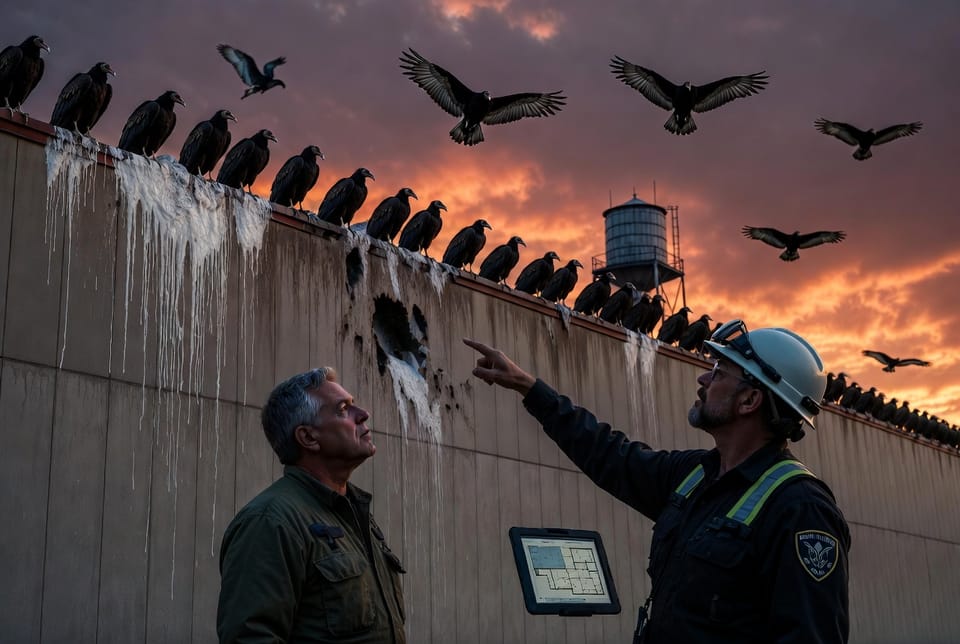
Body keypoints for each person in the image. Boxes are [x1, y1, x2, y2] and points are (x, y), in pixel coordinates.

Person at [465, 319, 850, 643]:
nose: (703, 377)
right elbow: (611, 455)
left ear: (749, 401)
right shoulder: (695, 475)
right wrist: (530, 388)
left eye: (719, 371)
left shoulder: (801, 509)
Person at [217, 367, 406, 643]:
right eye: (343, 409)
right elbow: (250, 637)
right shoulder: (270, 521)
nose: (363, 414)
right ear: (308, 438)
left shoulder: (353, 512)